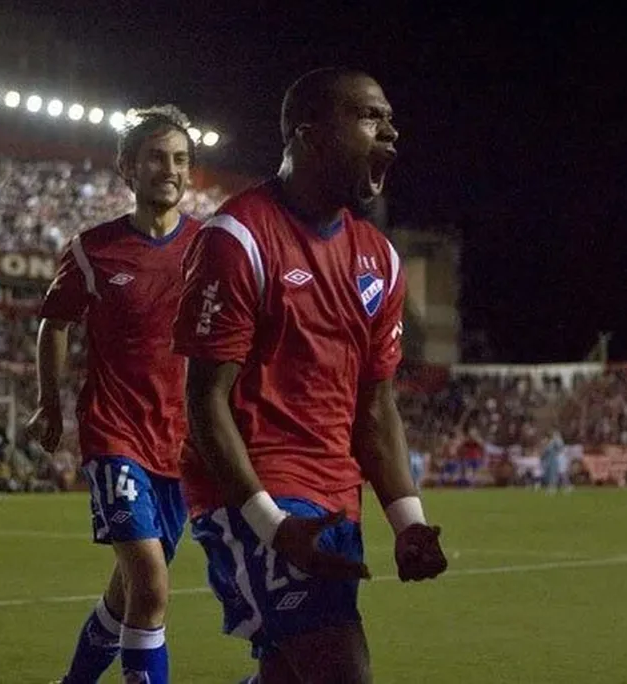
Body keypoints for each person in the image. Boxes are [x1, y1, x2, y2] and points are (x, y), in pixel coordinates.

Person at [173, 68, 448, 684]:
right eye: (370, 117)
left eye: (391, 119)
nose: (391, 134)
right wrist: (272, 524)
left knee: (290, 676)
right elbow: (204, 401)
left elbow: (375, 410)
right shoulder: (239, 238)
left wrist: (407, 524)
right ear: (309, 135)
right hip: (254, 493)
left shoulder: (380, 257)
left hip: (333, 498)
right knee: (340, 670)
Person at [27, 105, 201, 684]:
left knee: (127, 595)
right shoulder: (92, 250)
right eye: (156, 157)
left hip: (182, 444)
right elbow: (55, 323)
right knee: (151, 584)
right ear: (127, 168)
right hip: (114, 432)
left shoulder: (210, 248)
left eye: (180, 159)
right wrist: (50, 403)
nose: (169, 169)